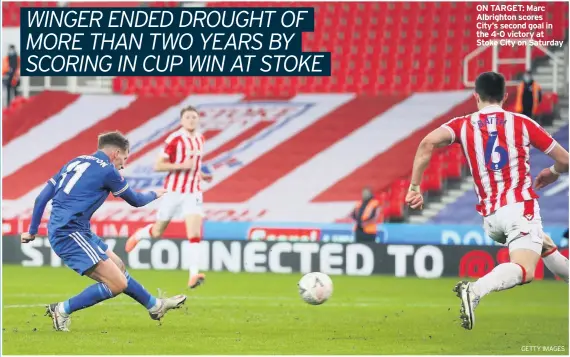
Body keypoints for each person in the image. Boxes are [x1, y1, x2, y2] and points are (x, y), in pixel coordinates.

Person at [405, 72, 569, 330]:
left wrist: (415, 187)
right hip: (518, 207)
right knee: (525, 270)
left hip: (491, 219)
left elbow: (427, 142)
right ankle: (475, 289)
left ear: (476, 96)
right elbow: (565, 160)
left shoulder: (462, 124)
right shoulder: (522, 123)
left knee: (542, 242)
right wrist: (553, 172)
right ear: (505, 96)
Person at [20, 131, 187, 332]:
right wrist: (156, 193)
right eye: (125, 158)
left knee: (119, 266)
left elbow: (41, 197)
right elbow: (136, 200)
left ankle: (154, 306)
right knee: (117, 284)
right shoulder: (108, 171)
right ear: (116, 153)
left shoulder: (76, 161)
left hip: (77, 229)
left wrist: (31, 230)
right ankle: (61, 310)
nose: (124, 164)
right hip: (69, 232)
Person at [125, 106, 213, 289]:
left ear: (198, 120)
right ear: (182, 120)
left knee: (194, 234)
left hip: (193, 191)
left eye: (194, 117)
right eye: (188, 117)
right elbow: (158, 165)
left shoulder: (200, 139)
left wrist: (201, 175)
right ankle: (140, 234)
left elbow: (195, 164)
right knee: (157, 232)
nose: (191, 120)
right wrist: (182, 165)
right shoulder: (174, 139)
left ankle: (193, 274)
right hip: (173, 191)